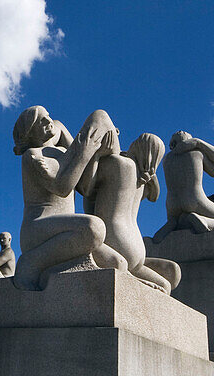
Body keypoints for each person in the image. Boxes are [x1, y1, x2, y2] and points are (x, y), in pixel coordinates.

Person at [11, 106, 125, 291]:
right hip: (38, 229)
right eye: (41, 120)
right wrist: (89, 144)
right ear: (29, 131)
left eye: (49, 116)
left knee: (118, 262)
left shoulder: (63, 153)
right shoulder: (33, 155)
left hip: (67, 231)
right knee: (95, 228)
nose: (48, 121)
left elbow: (85, 187)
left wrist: (95, 153)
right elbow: (62, 187)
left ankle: (53, 273)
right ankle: (32, 262)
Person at [78, 132, 180, 293]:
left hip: (115, 240)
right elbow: (155, 196)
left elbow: (86, 188)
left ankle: (134, 281)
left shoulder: (119, 163)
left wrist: (97, 154)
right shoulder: (146, 184)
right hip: (137, 248)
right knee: (165, 286)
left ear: (138, 145)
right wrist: (151, 172)